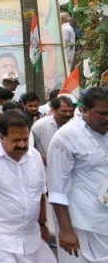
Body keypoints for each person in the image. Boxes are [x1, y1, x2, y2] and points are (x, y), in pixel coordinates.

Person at [0, 111, 55, 262]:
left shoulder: (35, 157)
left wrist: (43, 225)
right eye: (16, 140)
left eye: (25, 139)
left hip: (30, 233)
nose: (22, 144)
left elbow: (40, 195)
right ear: (1, 137)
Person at [48, 87, 108, 262]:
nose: (107, 118)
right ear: (84, 110)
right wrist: (66, 230)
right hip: (81, 223)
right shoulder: (65, 137)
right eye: (102, 114)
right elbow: (57, 189)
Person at [32, 95, 75, 164]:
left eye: (70, 111)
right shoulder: (40, 125)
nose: (68, 114)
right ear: (53, 110)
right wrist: (45, 159)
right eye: (64, 111)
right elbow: (31, 147)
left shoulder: (74, 126)